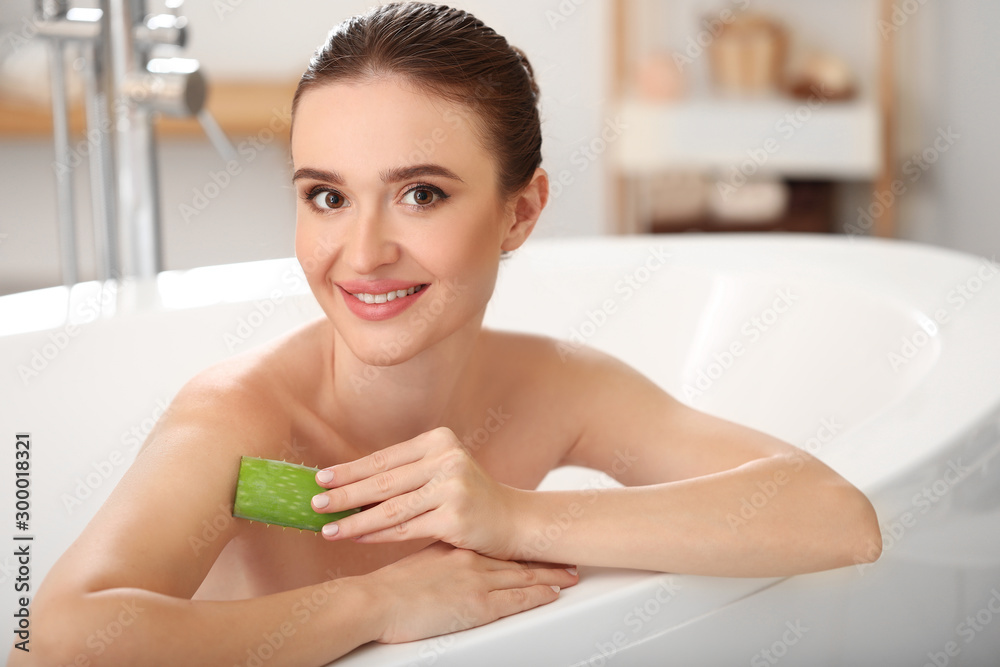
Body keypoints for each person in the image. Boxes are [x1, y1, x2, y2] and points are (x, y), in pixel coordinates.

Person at [15, 3, 881, 665]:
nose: (363, 253)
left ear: (522, 210)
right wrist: (377, 605)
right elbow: (60, 639)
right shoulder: (246, 426)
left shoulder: (558, 389)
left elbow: (835, 517)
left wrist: (514, 513)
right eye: (327, 195)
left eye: (421, 193)